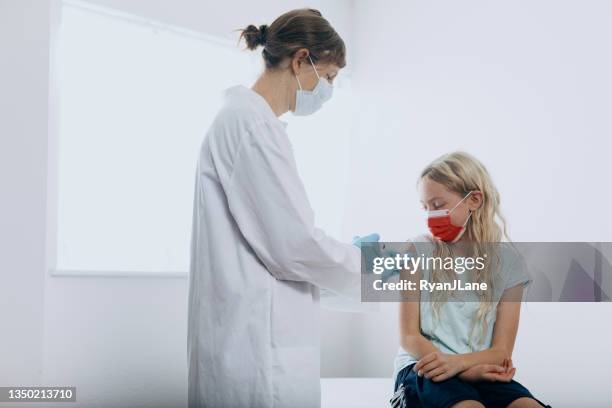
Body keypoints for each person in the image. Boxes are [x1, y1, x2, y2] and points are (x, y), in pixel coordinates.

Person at [187, 9, 372, 408]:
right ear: (301, 60)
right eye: (330, 77)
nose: (329, 90)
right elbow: (294, 247)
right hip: (256, 356)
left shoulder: (249, 122)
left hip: (253, 340)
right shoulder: (251, 126)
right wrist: (367, 266)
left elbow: (281, 246)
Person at [391, 152, 550, 408]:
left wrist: (463, 366)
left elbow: (501, 352)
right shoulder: (417, 251)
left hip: (478, 369)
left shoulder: (509, 265)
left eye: (438, 204)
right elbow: (409, 337)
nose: (431, 215)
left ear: (474, 200)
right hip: (424, 366)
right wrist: (462, 371)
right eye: (425, 207)